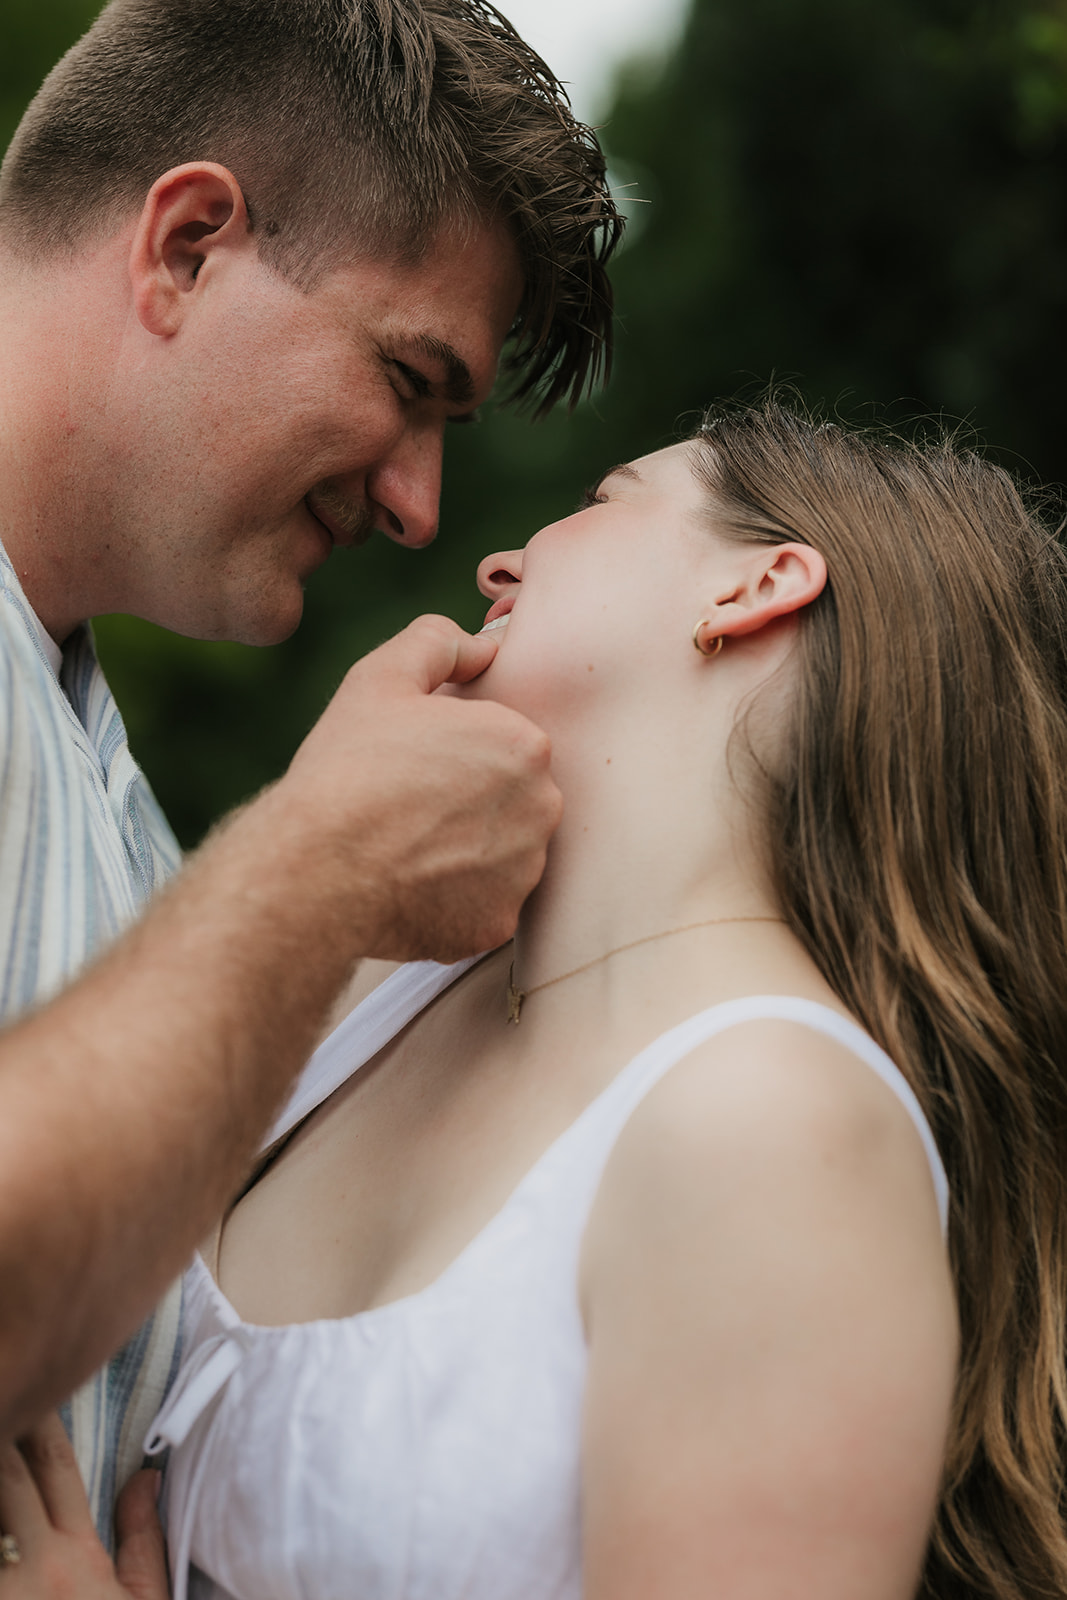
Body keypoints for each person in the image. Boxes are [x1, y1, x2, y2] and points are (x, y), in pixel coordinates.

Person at [13, 400, 1066, 1598]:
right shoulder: (378, 985)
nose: (498, 558)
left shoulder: (772, 1123)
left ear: (756, 585)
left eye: (600, 501)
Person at [0, 0, 620, 1543]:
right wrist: (317, 866)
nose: (422, 508)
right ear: (188, 245)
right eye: (410, 381)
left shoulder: (106, 788)